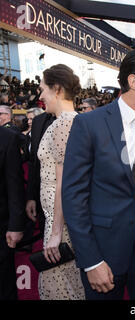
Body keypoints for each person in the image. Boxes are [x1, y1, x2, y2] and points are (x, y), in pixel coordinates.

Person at [62, 47, 135, 300]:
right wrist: (91, 260)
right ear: (134, 82)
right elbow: (73, 197)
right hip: (102, 254)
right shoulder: (88, 124)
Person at [37, 64, 85, 300]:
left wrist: (55, 233)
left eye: (43, 89)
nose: (40, 96)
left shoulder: (64, 123)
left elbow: (63, 182)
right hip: (57, 221)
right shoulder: (63, 122)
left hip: (62, 226)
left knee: (62, 287)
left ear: (56, 89)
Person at [0, 126, 26, 300]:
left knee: (3, 282)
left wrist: (16, 226)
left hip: (1, 226)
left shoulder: (7, 138)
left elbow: (14, 185)